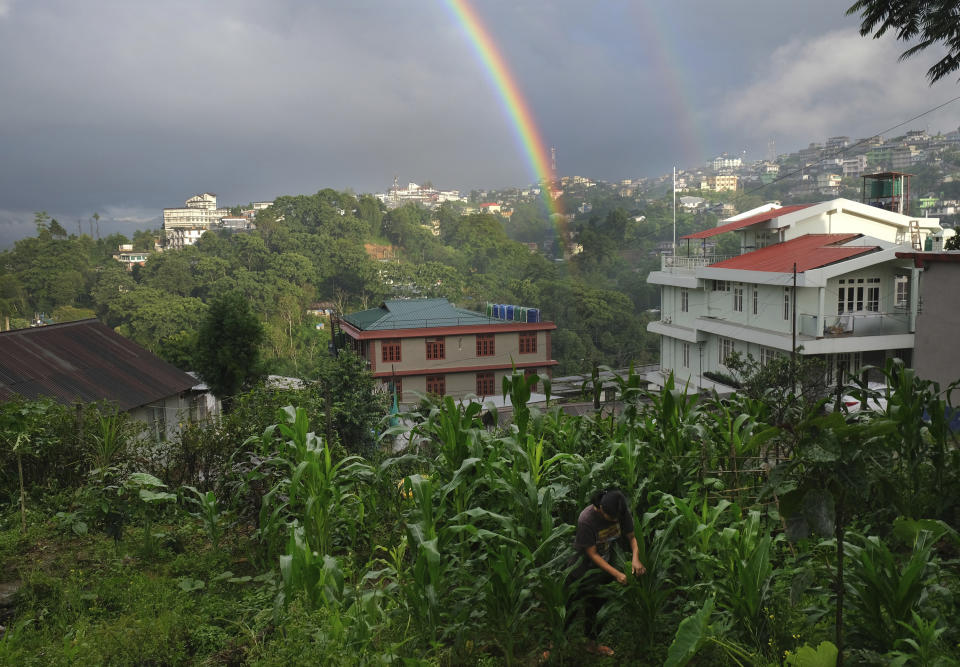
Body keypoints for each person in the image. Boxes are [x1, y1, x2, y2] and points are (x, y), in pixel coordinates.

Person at [565, 488, 645, 656]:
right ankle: (554, 645)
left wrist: (636, 558)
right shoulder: (586, 519)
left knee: (596, 607)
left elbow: (632, 537)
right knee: (569, 608)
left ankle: (591, 644)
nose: (615, 521)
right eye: (611, 518)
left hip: (603, 569)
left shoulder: (620, 511)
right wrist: (617, 574)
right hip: (580, 569)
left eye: (617, 518)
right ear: (600, 508)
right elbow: (592, 553)